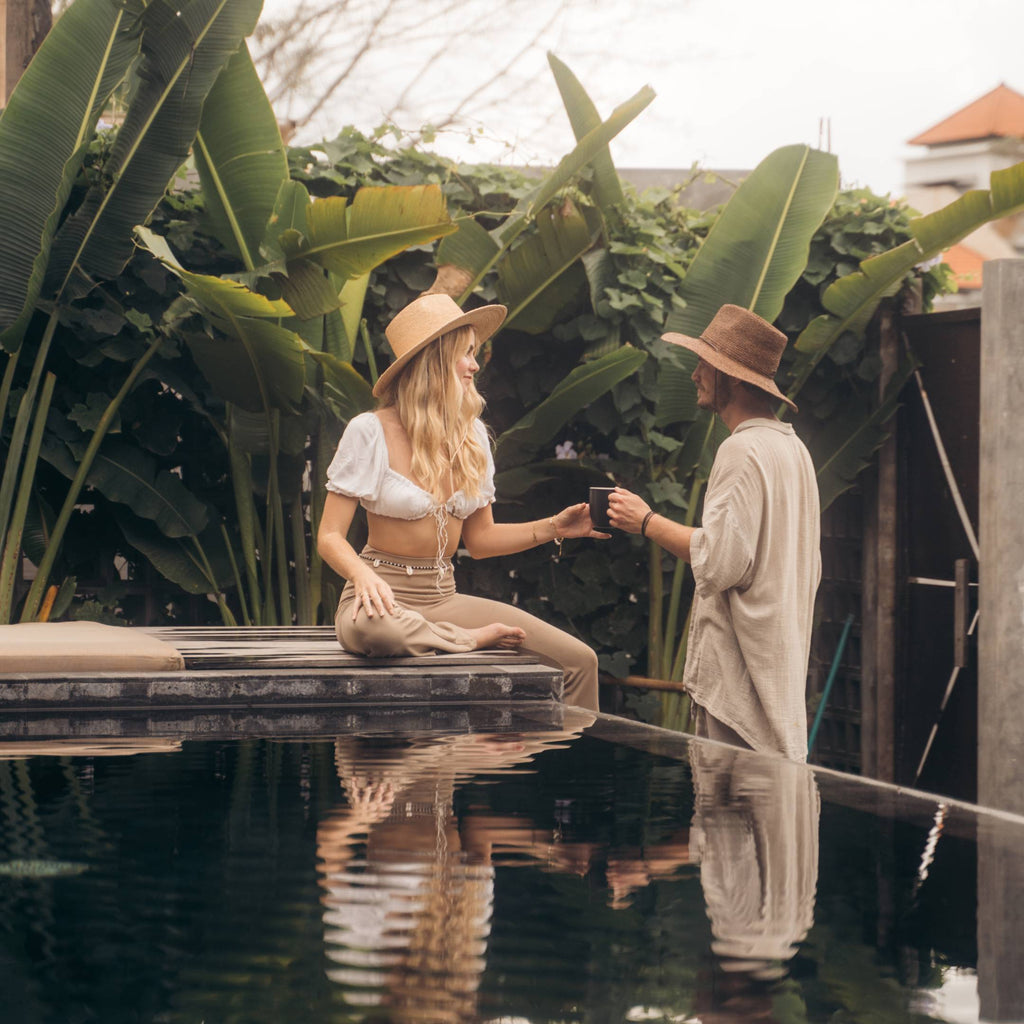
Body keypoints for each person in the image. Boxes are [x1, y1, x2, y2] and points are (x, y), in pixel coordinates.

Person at [317, 292, 605, 710]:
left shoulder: (472, 438)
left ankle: (567, 761)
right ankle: (468, 641)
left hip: (444, 600)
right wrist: (362, 577)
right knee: (382, 634)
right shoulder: (369, 431)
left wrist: (554, 528)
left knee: (580, 661)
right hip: (380, 603)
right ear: (433, 361)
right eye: (465, 354)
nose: (474, 365)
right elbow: (329, 535)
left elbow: (482, 540)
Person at [608, 304, 821, 759]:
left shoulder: (742, 449)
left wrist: (645, 521)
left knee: (729, 823)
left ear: (735, 378)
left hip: (741, 686)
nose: (695, 375)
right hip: (776, 675)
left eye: (706, 364)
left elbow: (722, 562)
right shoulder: (793, 448)